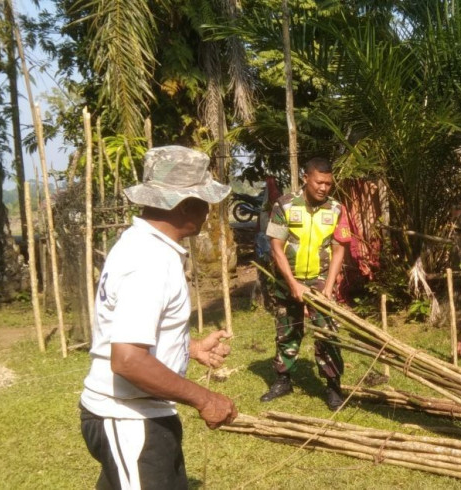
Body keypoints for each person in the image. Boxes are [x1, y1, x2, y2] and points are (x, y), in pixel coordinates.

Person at [80, 146, 238, 489]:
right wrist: (206, 398)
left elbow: (134, 333)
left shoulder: (142, 245)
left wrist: (189, 348)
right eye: (203, 200)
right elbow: (127, 360)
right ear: (183, 205)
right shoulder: (149, 261)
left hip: (140, 416)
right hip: (128, 419)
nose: (208, 210)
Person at [259, 157, 352, 411]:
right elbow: (276, 247)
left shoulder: (336, 209)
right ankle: (283, 380)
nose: (323, 188)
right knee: (287, 329)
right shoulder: (285, 204)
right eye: (319, 182)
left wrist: (330, 286)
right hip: (288, 277)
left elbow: (339, 250)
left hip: (320, 280)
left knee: (327, 333)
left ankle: (333, 387)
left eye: (328, 184)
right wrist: (292, 283)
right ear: (305, 178)